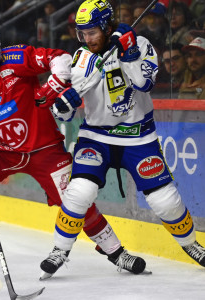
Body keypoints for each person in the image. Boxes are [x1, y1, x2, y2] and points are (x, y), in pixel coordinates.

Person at [0, 28, 145, 279]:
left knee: (77, 201)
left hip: (44, 149)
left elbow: (61, 58)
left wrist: (54, 84)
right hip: (0, 151)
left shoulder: (17, 59)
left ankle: (117, 253)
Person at [40, 0, 205, 278]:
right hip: (96, 137)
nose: (87, 39)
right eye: (82, 33)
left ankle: (191, 244)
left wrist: (129, 53)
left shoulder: (139, 44)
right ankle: (60, 250)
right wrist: (64, 106)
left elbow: (145, 83)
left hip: (138, 136)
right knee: (79, 191)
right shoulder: (80, 58)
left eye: (92, 32)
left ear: (106, 26)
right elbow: (66, 111)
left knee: (165, 200)